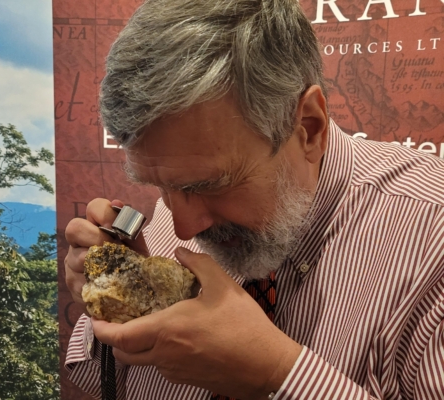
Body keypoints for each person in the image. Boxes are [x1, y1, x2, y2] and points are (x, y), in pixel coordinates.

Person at [63, 0, 444, 399]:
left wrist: (276, 374)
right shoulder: (174, 213)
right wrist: (121, 307)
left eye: (210, 185)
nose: (182, 228)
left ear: (309, 128)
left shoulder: (430, 242)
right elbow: (96, 380)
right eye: (159, 188)